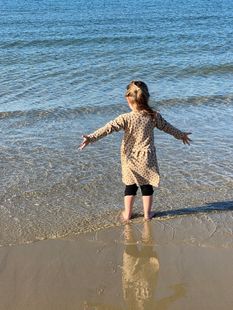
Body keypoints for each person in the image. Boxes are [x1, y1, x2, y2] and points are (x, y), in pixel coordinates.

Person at [79, 80, 192, 221]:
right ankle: (147, 214)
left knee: (130, 186)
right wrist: (181, 135)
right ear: (147, 98)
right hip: (147, 158)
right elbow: (167, 127)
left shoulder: (125, 118)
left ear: (128, 99)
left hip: (129, 158)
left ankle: (127, 214)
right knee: (147, 187)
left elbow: (108, 128)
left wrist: (91, 138)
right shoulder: (153, 116)